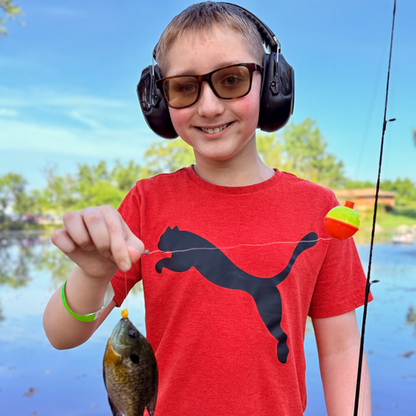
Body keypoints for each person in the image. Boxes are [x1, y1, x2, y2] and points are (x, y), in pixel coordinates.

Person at [43, 2, 372, 415]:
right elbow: (61, 336)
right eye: (184, 87)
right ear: (158, 101)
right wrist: (92, 275)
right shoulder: (147, 202)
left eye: (232, 80)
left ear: (273, 84)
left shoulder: (319, 208)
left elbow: (342, 349)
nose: (210, 107)